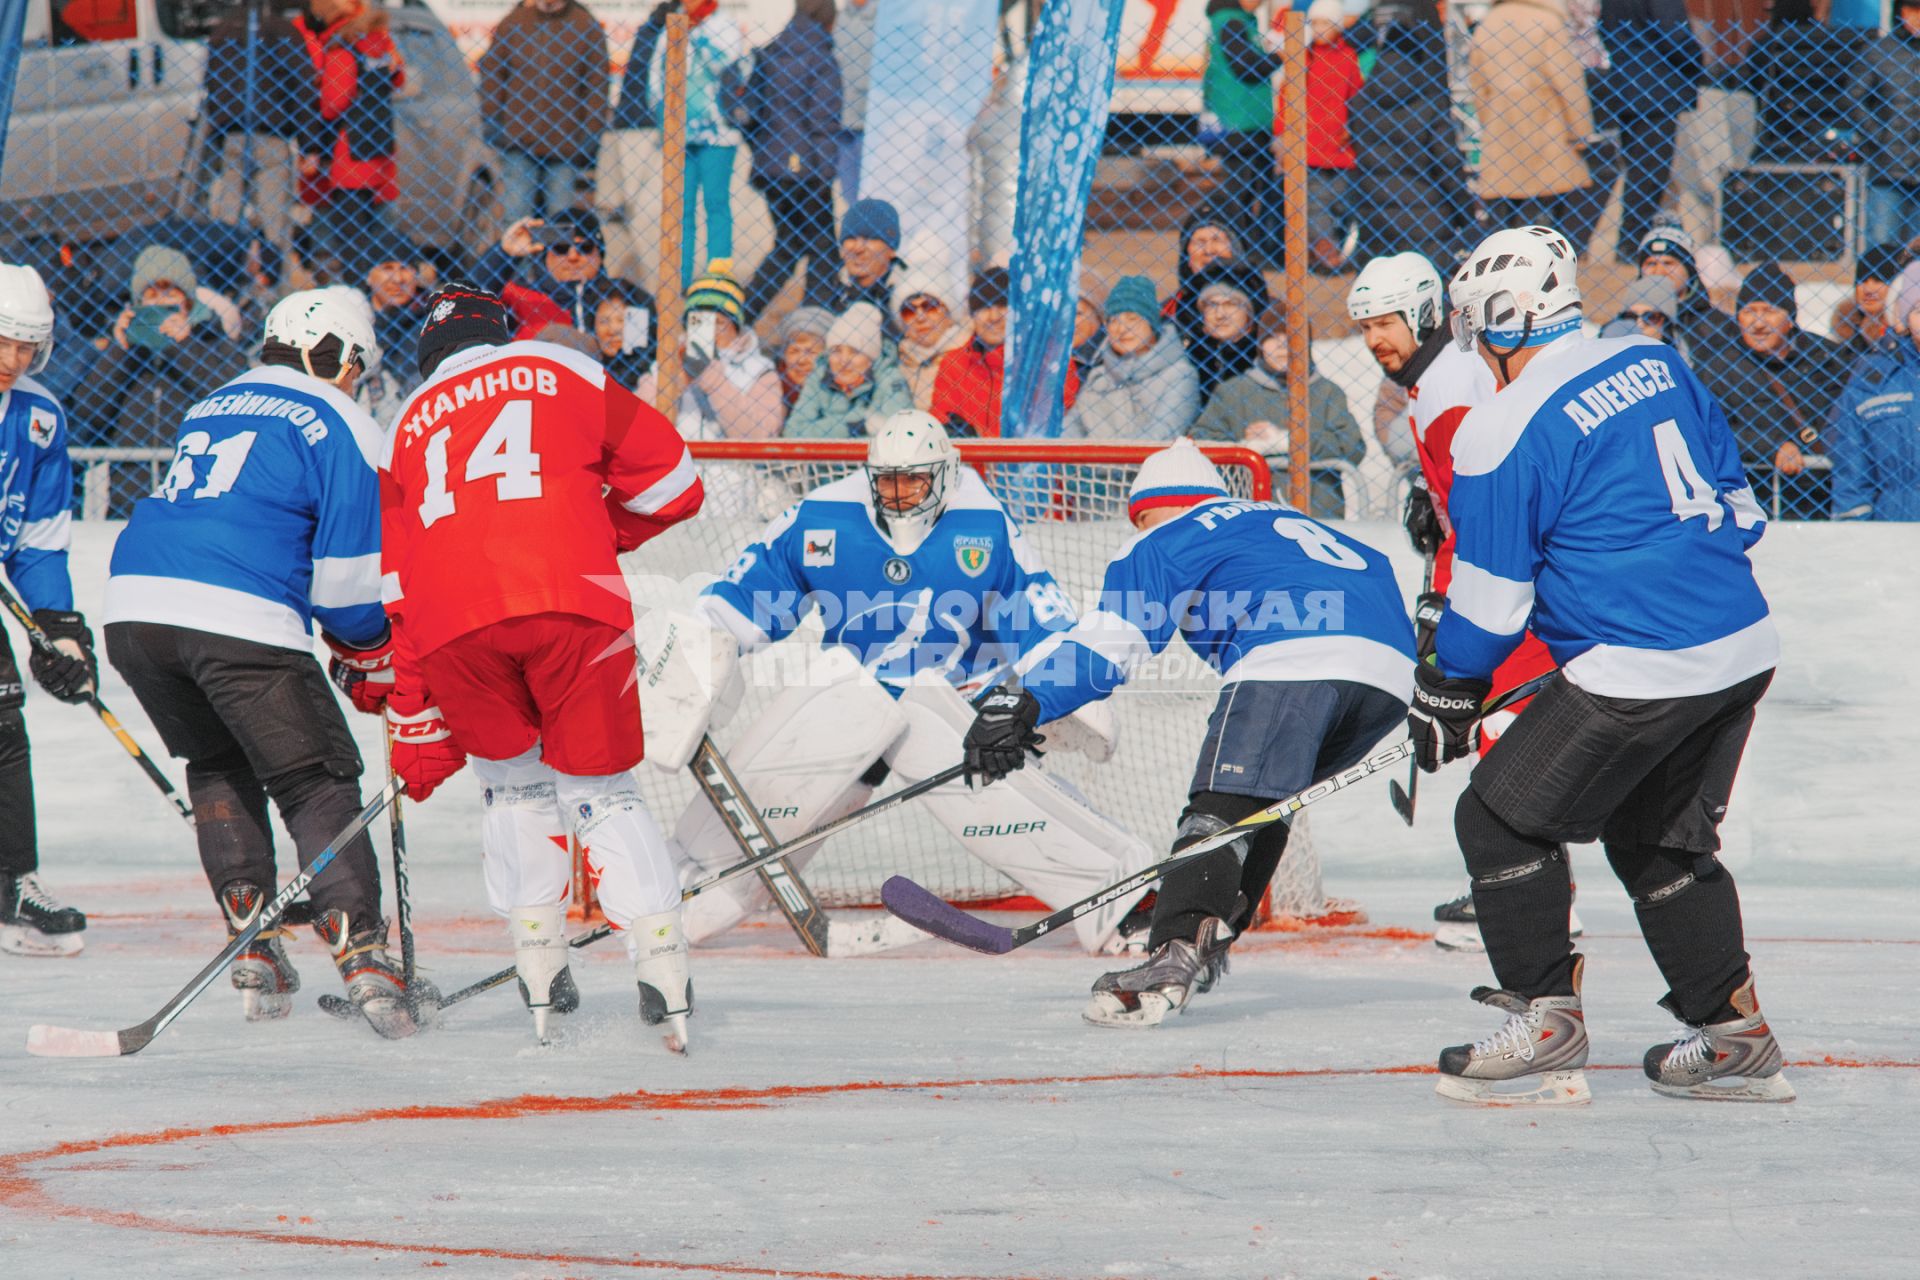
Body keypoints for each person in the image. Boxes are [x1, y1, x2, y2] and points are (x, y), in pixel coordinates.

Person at [1414, 224, 1791, 1105]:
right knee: (1657, 839)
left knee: (1497, 821)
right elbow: (1740, 505)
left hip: (1640, 664)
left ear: (1505, 320)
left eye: (1474, 329)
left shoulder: (1501, 426)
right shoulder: (1656, 360)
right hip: (1740, 645)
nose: (1474, 350)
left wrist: (1445, 682)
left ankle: (1546, 1019)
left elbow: (1491, 612)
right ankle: (1733, 1034)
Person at [962, 439, 1414, 1025]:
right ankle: (1209, 932)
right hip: (1388, 684)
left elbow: (1111, 643)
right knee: (1261, 805)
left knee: (1218, 809)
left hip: (1292, 662)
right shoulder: (1286, 521)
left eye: (1141, 518)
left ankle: (1173, 950)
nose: (1141, 528)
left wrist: (1025, 704)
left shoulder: (1171, 535)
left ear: (1154, 510)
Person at [684, 411, 1156, 953]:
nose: (901, 494)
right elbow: (744, 600)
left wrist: (1048, 700)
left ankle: (1126, 900)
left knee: (1001, 799)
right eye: (888, 481)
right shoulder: (822, 515)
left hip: (955, 703)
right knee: (772, 801)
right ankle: (683, 894)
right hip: (852, 695)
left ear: (946, 473)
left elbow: (1040, 621)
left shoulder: (984, 521)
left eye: (915, 480)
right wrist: (697, 654)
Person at [377, 284, 706, 1051]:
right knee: (599, 789)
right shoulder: (560, 365)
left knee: (514, 787)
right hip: (571, 601)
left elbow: (397, 584)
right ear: (503, 330)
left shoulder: (405, 421)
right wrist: (599, 530)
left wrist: (413, 706)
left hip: (453, 623)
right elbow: (677, 485)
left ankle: (538, 966)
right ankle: (661, 968)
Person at [101, 289, 415, 1037]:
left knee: (218, 762)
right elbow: (347, 577)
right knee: (314, 776)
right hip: (234, 616)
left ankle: (255, 936)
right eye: (357, 365)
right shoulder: (342, 418)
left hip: (135, 608)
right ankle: (362, 950)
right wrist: (373, 654)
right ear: (336, 353)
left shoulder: (214, 401)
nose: (357, 380)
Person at [1345, 250, 1574, 951]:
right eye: (1364, 328)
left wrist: (1446, 594)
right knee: (1502, 731)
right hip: (1507, 566)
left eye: (1385, 322)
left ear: (1421, 313)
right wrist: (1429, 501)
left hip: (1513, 576)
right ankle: (1530, 890)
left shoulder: (1447, 383)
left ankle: (1536, 900)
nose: (1375, 339)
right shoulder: (1437, 379)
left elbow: (1482, 504)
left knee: (1505, 731)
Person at [0, 265, 92, 959]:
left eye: (27, 346)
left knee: (5, 720)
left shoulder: (38, 418)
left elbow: (37, 537)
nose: (13, 361)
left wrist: (56, 627)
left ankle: (12, 882)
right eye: (2, 342)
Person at [1691, 261, 1850, 516]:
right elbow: (1707, 429)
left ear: (1790, 319)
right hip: (1753, 498)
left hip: (1825, 492)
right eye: (1748, 312)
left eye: (1769, 311)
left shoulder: (1828, 358)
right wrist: (1771, 447)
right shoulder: (1718, 368)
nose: (1758, 323)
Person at [71, 246, 251, 456]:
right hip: (130, 476)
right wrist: (119, 349)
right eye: (152, 295)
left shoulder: (215, 341)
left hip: (194, 476)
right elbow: (87, 411)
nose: (160, 302)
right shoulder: (127, 351)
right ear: (139, 303)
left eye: (170, 294)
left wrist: (184, 345)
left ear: (187, 303)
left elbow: (233, 405)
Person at [1191, 301, 1362, 519]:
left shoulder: (1327, 392)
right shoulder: (1233, 392)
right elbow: (1202, 440)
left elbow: (1352, 445)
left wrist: (1286, 441)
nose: (1283, 346)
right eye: (1272, 337)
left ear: (1307, 344)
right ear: (1261, 344)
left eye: (1292, 337)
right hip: (1249, 515)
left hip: (1317, 516)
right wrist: (1246, 449)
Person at [1469, 0, 1601, 253]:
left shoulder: (1489, 23)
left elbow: (1478, 83)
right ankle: (1552, 253)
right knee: (1551, 197)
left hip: (1501, 122)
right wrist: (1580, 130)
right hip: (1546, 121)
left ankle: (1503, 253)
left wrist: (1489, 120)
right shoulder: (1548, 22)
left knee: (1506, 202)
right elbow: (1568, 82)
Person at [1346, 0, 1470, 268]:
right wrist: (1466, 215)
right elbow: (1448, 167)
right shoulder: (1430, 105)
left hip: (1376, 226)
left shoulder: (1359, 105)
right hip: (1428, 227)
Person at [741, 0, 843, 321]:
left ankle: (743, 312)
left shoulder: (770, 53)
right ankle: (818, 315)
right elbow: (823, 121)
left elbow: (750, 113)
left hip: (773, 169)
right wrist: (826, 172)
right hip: (809, 170)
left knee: (788, 243)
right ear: (826, 21)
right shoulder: (821, 58)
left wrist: (766, 154)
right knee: (823, 246)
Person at [292, 0, 405, 274]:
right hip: (377, 145)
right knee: (375, 228)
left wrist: (319, 89)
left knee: (349, 233)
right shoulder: (378, 44)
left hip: (349, 151)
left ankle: (354, 283)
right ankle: (376, 277)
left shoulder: (342, 48)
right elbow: (398, 79)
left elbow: (335, 102)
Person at [479, 0, 610, 225]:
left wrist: (590, 134)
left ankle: (555, 260)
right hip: (518, 142)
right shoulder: (515, 22)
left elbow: (597, 85)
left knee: (560, 221)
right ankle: (521, 261)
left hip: (564, 145)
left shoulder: (585, 25)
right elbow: (492, 74)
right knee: (516, 218)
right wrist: (493, 121)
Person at [1591, 0, 1703, 261]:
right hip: (1659, 88)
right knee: (1652, 171)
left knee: (1638, 170)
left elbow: (1606, 29)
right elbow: (1676, 35)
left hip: (1626, 84)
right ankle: (1632, 244)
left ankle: (1631, 240)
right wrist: (1697, 63)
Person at [649, 0, 748, 283]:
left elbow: (728, 66)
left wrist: (697, 37)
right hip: (679, 134)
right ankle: (678, 278)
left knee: (716, 203)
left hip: (718, 134)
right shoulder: (671, 25)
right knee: (681, 207)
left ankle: (718, 276)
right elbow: (656, 74)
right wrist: (662, 115)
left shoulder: (724, 24)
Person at [929, 268, 1079, 437]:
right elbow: (941, 421)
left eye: (1003, 306)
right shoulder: (954, 363)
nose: (994, 316)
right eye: (984, 307)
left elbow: (1056, 426)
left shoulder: (1051, 362)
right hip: (968, 461)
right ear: (972, 315)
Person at [1061, 275, 1200, 443]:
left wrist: (1090, 461)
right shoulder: (1098, 376)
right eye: (1113, 321)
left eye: (1133, 319)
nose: (1122, 328)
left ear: (1152, 323)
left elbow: (1159, 438)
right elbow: (1069, 433)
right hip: (1091, 466)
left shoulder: (1180, 375)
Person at [1830, 268, 1920, 521]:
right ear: (1903, 320)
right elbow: (1852, 473)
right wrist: (1856, 537)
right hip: (1894, 526)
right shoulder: (1873, 381)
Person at [1281, 0, 1364, 272]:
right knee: (1316, 204)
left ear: (1338, 27)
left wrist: (1353, 129)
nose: (1319, 29)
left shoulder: (1348, 58)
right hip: (1310, 145)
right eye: (1315, 23)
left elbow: (1356, 97)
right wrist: (1282, 133)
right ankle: (1326, 252)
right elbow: (1287, 97)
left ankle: (1339, 247)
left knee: (1341, 202)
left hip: (1340, 145)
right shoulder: (1304, 58)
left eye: (1326, 23)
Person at [1203, 0, 1283, 264]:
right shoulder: (1232, 21)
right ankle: (1240, 251)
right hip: (1242, 119)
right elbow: (1246, 65)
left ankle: (1249, 249)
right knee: (1243, 191)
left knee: (1249, 189)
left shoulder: (1234, 21)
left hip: (1246, 117)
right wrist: (1281, 55)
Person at [474, 210, 628, 341]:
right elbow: (467, 304)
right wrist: (503, 254)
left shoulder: (622, 297)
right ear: (545, 255)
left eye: (585, 247)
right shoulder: (518, 296)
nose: (573, 256)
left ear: (600, 255)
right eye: (561, 248)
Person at [1846, 0, 1920, 250]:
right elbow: (1852, 97)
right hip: (1889, 167)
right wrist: (1881, 135)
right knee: (1883, 248)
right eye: (1913, 11)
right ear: (1901, 12)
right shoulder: (1878, 52)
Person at [785, 301, 912, 437]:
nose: (844, 361)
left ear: (870, 359)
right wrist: (859, 426)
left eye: (855, 352)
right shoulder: (818, 378)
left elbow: (898, 432)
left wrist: (821, 430)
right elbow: (793, 432)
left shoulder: (890, 378)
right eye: (836, 351)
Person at [1633, 223, 1734, 359]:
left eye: (1668, 263)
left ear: (1689, 271)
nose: (1659, 272)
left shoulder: (1717, 325)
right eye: (1651, 264)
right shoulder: (1626, 323)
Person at [1179, 260, 1269, 409]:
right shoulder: (1190, 357)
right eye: (1211, 305)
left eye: (1231, 304)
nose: (1220, 314)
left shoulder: (1263, 358)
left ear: (1250, 312)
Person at [811, 197, 906, 322]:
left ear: (892, 249)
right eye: (851, 238)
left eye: (870, 238)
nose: (858, 248)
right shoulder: (826, 287)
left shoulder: (910, 294)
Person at [891, 265, 972, 412]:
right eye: (909, 310)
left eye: (929, 306)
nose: (920, 317)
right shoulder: (898, 367)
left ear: (948, 314)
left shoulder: (972, 356)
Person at [1163, 207, 1241, 331]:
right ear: (1187, 257)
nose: (1209, 250)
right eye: (1200, 242)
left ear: (1236, 251)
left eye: (1217, 239)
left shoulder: (1264, 307)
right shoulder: (1168, 312)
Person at [1831, 243, 1909, 357]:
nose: (1868, 289)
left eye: (1878, 281)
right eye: (1862, 280)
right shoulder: (1845, 333)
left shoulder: (1910, 338)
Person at [835, 0, 876, 198]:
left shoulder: (884, 18)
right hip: (843, 122)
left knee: (875, 190)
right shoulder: (840, 18)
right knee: (850, 193)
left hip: (874, 122)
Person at [591, 279, 657, 390]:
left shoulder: (655, 373)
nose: (612, 330)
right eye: (603, 321)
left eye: (622, 320)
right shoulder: (589, 371)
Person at [1598, 275, 1682, 355]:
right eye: (1631, 317)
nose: (1639, 324)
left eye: (1650, 317)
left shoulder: (1684, 360)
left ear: (1667, 322)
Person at [774, 304, 833, 410]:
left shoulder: (838, 396)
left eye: (811, 351)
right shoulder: (771, 391)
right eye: (794, 351)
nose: (801, 360)